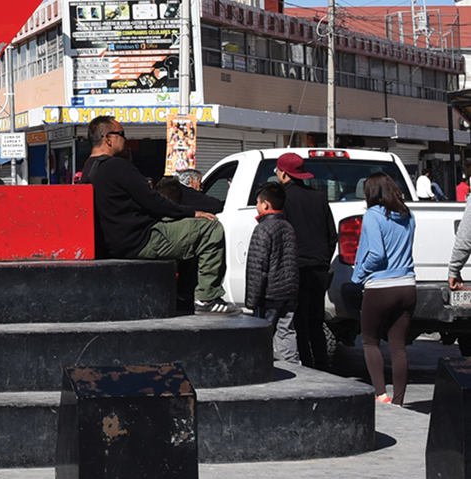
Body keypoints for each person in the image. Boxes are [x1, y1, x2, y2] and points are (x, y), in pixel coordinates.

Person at [79, 116, 236, 314]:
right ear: (107, 138)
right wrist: (192, 212)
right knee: (210, 228)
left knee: (185, 230)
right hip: (140, 240)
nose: (126, 140)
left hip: (115, 242)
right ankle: (207, 297)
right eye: (122, 135)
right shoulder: (117, 167)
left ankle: (183, 294)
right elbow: (154, 202)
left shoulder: (89, 169)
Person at [353, 172, 417, 406]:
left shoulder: (372, 216)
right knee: (398, 346)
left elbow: (377, 254)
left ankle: (381, 395)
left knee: (370, 341)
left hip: (380, 286)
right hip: (407, 285)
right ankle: (399, 401)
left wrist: (360, 272)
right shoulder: (407, 214)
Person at [274, 152, 338, 371]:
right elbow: (332, 235)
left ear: (283, 173)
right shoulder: (319, 197)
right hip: (320, 268)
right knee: (316, 322)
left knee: (299, 322)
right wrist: (324, 259)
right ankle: (322, 365)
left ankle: (308, 368)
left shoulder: (282, 199)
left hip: (297, 268)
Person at [247, 182, 299, 360]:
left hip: (269, 294)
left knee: (263, 333)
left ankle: (261, 364)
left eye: (257, 202)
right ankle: (292, 365)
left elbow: (258, 267)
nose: (256, 206)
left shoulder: (262, 229)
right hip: (289, 291)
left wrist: (252, 300)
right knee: (286, 331)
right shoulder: (288, 226)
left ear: (265, 204)